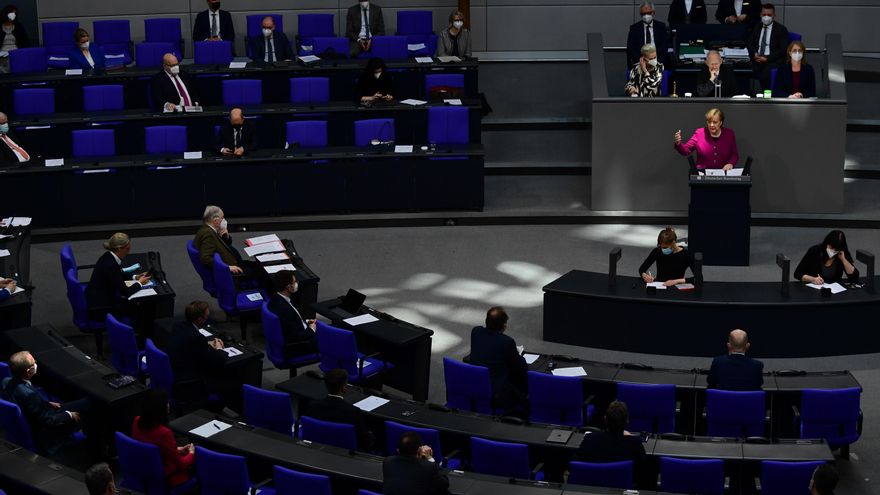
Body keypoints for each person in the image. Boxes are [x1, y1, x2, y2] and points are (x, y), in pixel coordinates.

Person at [1, 351, 91, 454]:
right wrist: (69, 414)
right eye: (33, 362)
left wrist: (46, 403)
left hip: (41, 411)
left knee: (87, 403)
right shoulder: (29, 395)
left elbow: (26, 402)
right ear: (29, 371)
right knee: (89, 412)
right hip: (45, 429)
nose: (35, 362)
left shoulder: (6, 381)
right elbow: (48, 420)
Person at [167, 301, 234, 411]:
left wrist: (206, 344)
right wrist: (219, 348)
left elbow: (187, 344)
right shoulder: (196, 338)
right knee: (227, 382)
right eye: (206, 316)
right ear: (199, 319)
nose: (208, 318)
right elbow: (217, 359)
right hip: (188, 380)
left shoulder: (179, 326)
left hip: (175, 369)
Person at [469, 306, 529, 416]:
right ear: (504, 325)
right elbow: (520, 367)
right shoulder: (507, 342)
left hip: (474, 383)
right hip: (496, 391)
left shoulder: (476, 332)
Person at [131, 389, 195, 487]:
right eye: (166, 402)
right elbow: (182, 464)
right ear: (160, 409)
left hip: (145, 470)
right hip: (166, 477)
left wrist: (178, 450)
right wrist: (191, 453)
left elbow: (149, 447)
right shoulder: (165, 433)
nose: (168, 404)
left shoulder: (137, 420)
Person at [84, 233, 151, 321]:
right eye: (127, 249)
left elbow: (118, 274)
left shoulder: (108, 256)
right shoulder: (111, 265)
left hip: (96, 296)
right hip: (102, 307)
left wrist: (136, 277)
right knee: (140, 306)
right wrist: (140, 283)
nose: (128, 252)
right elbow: (125, 292)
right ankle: (140, 332)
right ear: (119, 248)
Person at [304, 368, 374, 450]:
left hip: (318, 449)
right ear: (344, 388)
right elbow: (363, 440)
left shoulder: (312, 405)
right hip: (345, 454)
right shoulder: (353, 411)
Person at [575, 401, 646, 467]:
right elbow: (642, 467)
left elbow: (575, 464)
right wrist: (630, 437)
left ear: (605, 419)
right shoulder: (635, 444)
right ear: (627, 421)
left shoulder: (589, 439)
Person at [267, 270, 317, 357]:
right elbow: (296, 337)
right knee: (331, 338)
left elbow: (293, 323)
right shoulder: (286, 310)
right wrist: (312, 329)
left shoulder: (275, 299)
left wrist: (307, 322)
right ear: (288, 286)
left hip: (298, 331)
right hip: (299, 347)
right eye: (295, 282)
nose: (297, 283)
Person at [383, 431, 450, 495]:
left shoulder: (387, 461)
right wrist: (430, 458)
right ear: (419, 450)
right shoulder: (428, 467)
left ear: (398, 450)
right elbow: (444, 484)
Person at [674, 107, 739, 171]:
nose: (711, 125)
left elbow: (734, 155)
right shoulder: (699, 133)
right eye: (709, 122)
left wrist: (731, 164)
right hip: (702, 174)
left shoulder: (729, 134)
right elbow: (686, 151)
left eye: (715, 122)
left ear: (721, 122)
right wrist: (678, 143)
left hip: (722, 174)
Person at [747, 3, 789, 91]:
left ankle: (766, 98)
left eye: (769, 15)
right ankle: (746, 96)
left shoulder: (781, 29)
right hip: (756, 59)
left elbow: (783, 50)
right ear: (760, 15)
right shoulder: (757, 26)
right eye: (764, 14)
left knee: (766, 74)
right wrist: (754, 53)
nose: (766, 17)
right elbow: (750, 43)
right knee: (741, 71)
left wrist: (767, 58)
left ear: (774, 16)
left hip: (771, 60)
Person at [793, 230, 859, 285]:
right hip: (814, 288)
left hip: (834, 290)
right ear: (826, 243)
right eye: (831, 248)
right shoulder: (815, 251)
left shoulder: (842, 254)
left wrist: (843, 260)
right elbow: (797, 274)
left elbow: (854, 278)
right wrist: (812, 279)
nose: (833, 251)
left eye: (836, 250)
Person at [626, 2, 668, 67]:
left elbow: (664, 46)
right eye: (644, 14)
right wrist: (643, 60)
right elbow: (631, 48)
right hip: (640, 62)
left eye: (648, 13)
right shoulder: (634, 28)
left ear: (653, 13)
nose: (646, 16)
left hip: (658, 61)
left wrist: (655, 60)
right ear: (640, 14)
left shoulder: (661, 27)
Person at [0, 5, 31, 73]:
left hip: (15, 51)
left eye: (15, 13)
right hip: (2, 51)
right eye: (12, 13)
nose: (13, 15)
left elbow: (25, 42)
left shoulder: (19, 26)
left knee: (13, 59)